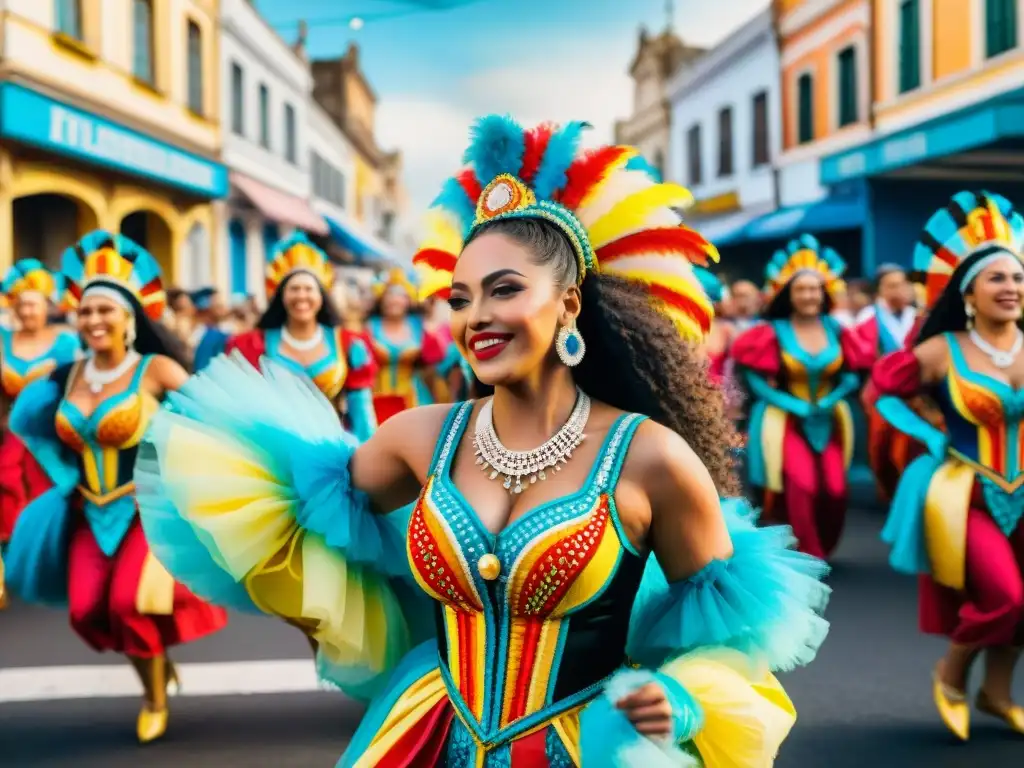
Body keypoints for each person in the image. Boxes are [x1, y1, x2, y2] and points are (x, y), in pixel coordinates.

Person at [135, 115, 829, 765]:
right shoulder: (417, 440)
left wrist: (680, 698)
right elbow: (286, 513)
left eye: (503, 290)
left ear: (568, 305)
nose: (477, 318)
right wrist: (320, 614)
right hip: (430, 733)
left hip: (586, 744)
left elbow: (732, 643)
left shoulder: (653, 461)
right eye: (461, 298)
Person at [3, 231, 228, 743]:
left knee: (130, 603)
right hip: (86, 510)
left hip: (145, 508)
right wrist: (64, 478)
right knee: (86, 610)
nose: (94, 320)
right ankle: (155, 663)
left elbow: (208, 423)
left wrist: (168, 475)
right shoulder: (67, 375)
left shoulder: (157, 370)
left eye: (106, 309)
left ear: (130, 317)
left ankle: (154, 698)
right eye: (85, 312)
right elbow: (32, 427)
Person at [872, 191, 1024, 740]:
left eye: (1017, 278)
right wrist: (927, 433)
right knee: (1004, 597)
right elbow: (885, 393)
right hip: (968, 491)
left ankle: (997, 692)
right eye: (997, 279)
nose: (1011, 288)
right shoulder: (944, 351)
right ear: (969, 293)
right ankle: (953, 673)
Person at [732, 235, 870, 559]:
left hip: (830, 418)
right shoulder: (771, 331)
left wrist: (834, 395)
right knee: (800, 485)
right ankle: (809, 554)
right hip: (784, 421)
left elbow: (852, 373)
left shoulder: (837, 329)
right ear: (788, 294)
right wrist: (789, 403)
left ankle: (824, 544)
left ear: (824, 293)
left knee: (835, 489)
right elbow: (752, 375)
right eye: (801, 289)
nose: (809, 295)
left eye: (815, 288)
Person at [225, 232, 377, 440]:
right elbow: (241, 406)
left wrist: (368, 457)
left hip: (334, 451)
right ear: (281, 296)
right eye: (294, 289)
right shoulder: (252, 344)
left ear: (321, 296)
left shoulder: (349, 343)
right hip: (273, 454)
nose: (301, 296)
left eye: (309, 289)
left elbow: (361, 411)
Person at [0, 260, 81, 606]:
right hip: (7, 433)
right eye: (21, 304)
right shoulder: (3, 340)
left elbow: (78, 386)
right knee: (6, 491)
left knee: (51, 497)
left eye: (33, 304)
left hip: (50, 437)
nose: (27, 310)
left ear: (47, 305)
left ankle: (49, 562)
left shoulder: (66, 343)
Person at [856, 264, 928, 501]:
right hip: (881, 393)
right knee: (882, 445)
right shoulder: (869, 317)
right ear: (880, 290)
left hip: (915, 393)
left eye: (902, 284)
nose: (898, 289)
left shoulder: (919, 315)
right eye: (891, 285)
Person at [366, 266, 446, 423]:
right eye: (390, 294)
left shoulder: (419, 326)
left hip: (414, 401)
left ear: (409, 300)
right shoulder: (369, 327)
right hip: (374, 402)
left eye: (400, 295)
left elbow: (435, 359)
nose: (394, 300)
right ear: (381, 299)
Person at [188, 287, 229, 372]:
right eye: (218, 304)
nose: (223, 306)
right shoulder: (199, 334)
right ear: (204, 306)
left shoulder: (220, 331)